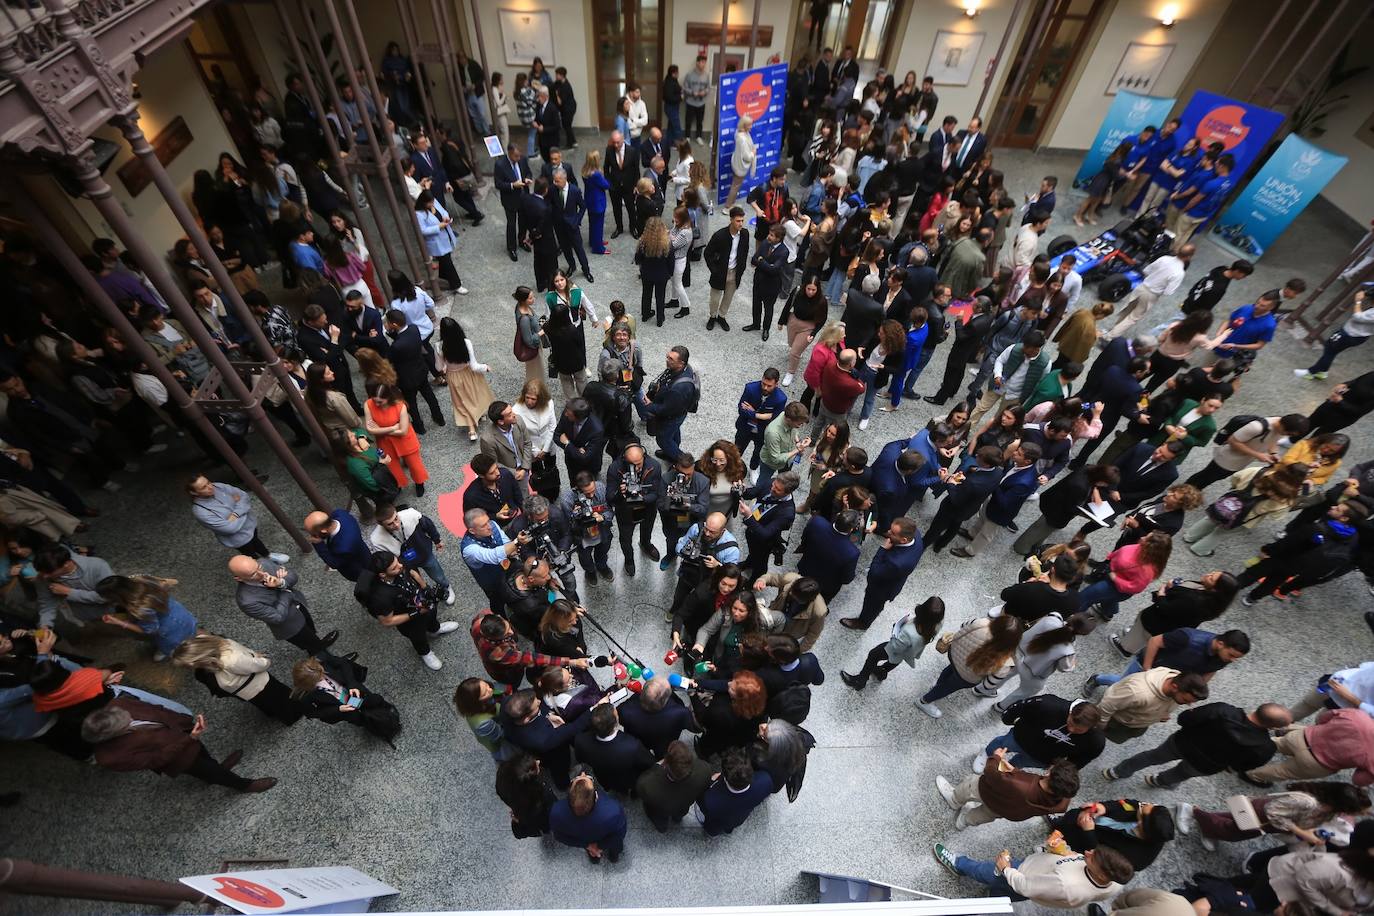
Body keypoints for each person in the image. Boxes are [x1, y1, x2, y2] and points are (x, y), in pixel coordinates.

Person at [79, 699, 276, 793]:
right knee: (205, 768)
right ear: (111, 734)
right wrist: (189, 738)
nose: (130, 717)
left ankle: (217, 769)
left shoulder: (119, 704)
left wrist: (185, 723)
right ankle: (244, 785)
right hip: (180, 757)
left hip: (183, 733)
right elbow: (156, 760)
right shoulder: (111, 757)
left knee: (207, 759)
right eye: (126, 723)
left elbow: (155, 708)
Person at [1106, 701, 1290, 789]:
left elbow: (1185, 719)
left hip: (1182, 743)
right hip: (1206, 765)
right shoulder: (1266, 747)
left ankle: (1118, 772)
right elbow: (1243, 767)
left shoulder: (1222, 710)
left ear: (1259, 707)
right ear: (1273, 727)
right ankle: (1159, 781)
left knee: (1152, 756)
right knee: (1181, 774)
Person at [932, 840, 1133, 908]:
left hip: (1022, 875)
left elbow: (1024, 886)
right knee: (1005, 896)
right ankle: (989, 897)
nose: (1086, 853)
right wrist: (1063, 851)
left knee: (984, 871)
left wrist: (1005, 868)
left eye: (1092, 858)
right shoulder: (1115, 883)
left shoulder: (1066, 885)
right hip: (1039, 880)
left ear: (1101, 875)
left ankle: (958, 864)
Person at [359, 549, 460, 671]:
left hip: (420, 601)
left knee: (432, 616)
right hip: (408, 621)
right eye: (394, 568)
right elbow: (387, 621)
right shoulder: (380, 597)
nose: (400, 565)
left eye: (398, 562)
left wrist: (425, 588)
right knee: (418, 637)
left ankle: (436, 629)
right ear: (383, 575)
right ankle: (425, 653)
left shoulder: (398, 564)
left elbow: (413, 573)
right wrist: (415, 613)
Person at [171, 633, 301, 726]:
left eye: (189, 664)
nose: (189, 668)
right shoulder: (207, 641)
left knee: (277, 701)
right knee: (276, 700)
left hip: (258, 687)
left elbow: (258, 665)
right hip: (252, 686)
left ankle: (293, 714)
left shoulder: (230, 661)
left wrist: (264, 661)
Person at [935, 750, 1079, 829]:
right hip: (1006, 810)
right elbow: (1021, 783)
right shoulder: (1063, 802)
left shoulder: (1020, 785)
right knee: (984, 815)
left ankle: (954, 800)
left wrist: (996, 758)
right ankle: (964, 822)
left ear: (1049, 774)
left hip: (988, 791)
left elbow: (991, 774)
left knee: (970, 786)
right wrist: (1015, 772)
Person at [917, 614, 1024, 719]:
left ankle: (937, 685)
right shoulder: (1004, 660)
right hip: (966, 676)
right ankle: (924, 701)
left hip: (954, 654)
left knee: (950, 670)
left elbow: (963, 626)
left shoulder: (981, 623)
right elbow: (988, 686)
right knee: (947, 687)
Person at [1184, 412, 1310, 492]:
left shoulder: (1280, 428)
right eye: (1289, 433)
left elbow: (1273, 441)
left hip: (1240, 461)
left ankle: (1193, 491)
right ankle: (1185, 491)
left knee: (1213, 478)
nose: (1287, 436)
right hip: (1226, 458)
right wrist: (1258, 455)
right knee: (1206, 476)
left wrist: (1273, 453)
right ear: (1284, 426)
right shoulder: (1257, 427)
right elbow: (1233, 441)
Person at [290, 655, 400, 744]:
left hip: (351, 691)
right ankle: (373, 724)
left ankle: (386, 707)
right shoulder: (304, 696)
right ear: (308, 685)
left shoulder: (322, 660)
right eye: (319, 679)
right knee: (359, 718)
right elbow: (312, 713)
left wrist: (352, 684)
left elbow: (344, 663)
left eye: (322, 673)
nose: (323, 677)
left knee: (372, 700)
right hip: (341, 707)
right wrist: (338, 709)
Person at [842, 517, 923, 631]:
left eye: (893, 533)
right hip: (894, 577)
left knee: (872, 605)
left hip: (881, 589)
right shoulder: (916, 536)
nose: (888, 532)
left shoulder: (897, 563)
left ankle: (863, 623)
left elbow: (874, 572)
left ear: (904, 540)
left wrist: (883, 549)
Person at [95, 575, 199, 663]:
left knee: (174, 643)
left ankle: (167, 651)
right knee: (188, 631)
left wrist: (119, 622)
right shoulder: (142, 580)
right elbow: (165, 583)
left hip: (169, 629)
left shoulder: (140, 608)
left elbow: (149, 630)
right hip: (179, 614)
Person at [1053, 799, 1177, 871]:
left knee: (1063, 842)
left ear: (1141, 824)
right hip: (1093, 821)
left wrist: (1088, 832)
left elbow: (1099, 859)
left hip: (1081, 843)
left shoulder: (1136, 859)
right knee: (1067, 822)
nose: (1140, 805)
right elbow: (1128, 804)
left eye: (1141, 808)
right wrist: (1104, 807)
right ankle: (1060, 824)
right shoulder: (1149, 817)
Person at [367, 502, 453, 604]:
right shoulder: (377, 540)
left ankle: (446, 586)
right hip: (403, 564)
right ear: (381, 524)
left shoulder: (410, 514)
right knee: (414, 581)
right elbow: (385, 558)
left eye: (396, 518)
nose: (396, 524)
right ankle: (424, 595)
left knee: (437, 574)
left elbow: (428, 525)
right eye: (390, 524)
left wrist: (437, 540)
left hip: (424, 552)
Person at [185, 476, 287, 562]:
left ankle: (267, 556)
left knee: (256, 540)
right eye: (203, 487)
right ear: (194, 493)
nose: (210, 487)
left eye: (208, 482)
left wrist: (235, 515)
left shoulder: (218, 486)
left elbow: (244, 496)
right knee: (249, 554)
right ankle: (261, 567)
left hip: (250, 525)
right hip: (238, 538)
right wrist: (241, 508)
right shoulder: (201, 512)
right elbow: (229, 528)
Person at [1095, 668, 1208, 744]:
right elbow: (1107, 705)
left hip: (1137, 723)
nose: (1189, 704)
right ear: (1174, 687)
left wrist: (1160, 714)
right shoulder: (1137, 692)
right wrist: (1101, 724)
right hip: (1116, 722)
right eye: (1185, 700)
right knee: (1097, 736)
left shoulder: (1178, 680)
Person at [606, 443, 664, 574]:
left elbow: (657, 493)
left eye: (639, 463)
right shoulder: (615, 468)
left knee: (647, 529)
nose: (637, 468)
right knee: (625, 539)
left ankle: (646, 544)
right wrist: (620, 493)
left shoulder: (654, 466)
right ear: (624, 459)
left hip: (647, 509)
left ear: (644, 456)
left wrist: (642, 499)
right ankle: (629, 559)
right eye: (632, 464)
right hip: (625, 512)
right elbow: (609, 497)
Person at [573, 702, 654, 794]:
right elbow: (649, 763)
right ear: (615, 724)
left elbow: (580, 758)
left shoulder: (580, 739)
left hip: (603, 777)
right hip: (627, 780)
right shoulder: (632, 746)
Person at [550, 766, 627, 863]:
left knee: (592, 853)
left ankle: (594, 859)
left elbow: (560, 836)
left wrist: (588, 846)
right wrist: (600, 847)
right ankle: (614, 857)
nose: (583, 774)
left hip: (585, 840)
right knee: (615, 848)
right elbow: (620, 834)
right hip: (608, 841)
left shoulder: (556, 812)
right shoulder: (614, 811)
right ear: (595, 797)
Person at [636, 345, 698, 462]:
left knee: (663, 439)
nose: (667, 360)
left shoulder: (679, 389)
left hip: (672, 416)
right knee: (674, 432)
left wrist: (649, 405)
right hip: (678, 412)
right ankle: (671, 452)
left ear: (681, 363)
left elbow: (665, 410)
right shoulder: (684, 368)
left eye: (671, 359)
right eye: (667, 357)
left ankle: (681, 460)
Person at [364, 382, 428, 498]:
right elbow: (370, 430)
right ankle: (398, 484)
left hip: (404, 439)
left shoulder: (400, 406)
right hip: (385, 442)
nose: (376, 404)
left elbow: (403, 431)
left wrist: (380, 429)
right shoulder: (368, 404)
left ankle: (419, 483)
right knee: (391, 465)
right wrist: (393, 427)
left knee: (414, 465)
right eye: (375, 401)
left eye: (380, 402)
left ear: (388, 398)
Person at [637, 738, 713, 832]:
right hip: (683, 807)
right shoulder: (705, 769)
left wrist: (657, 765)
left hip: (661, 811)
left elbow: (642, 792)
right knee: (679, 814)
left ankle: (662, 828)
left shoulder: (647, 784)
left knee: (660, 820)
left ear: (665, 762)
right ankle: (677, 819)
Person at [438, 316, 493, 442]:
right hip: (469, 373)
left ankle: (471, 430)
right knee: (475, 395)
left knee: (462, 402)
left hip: (453, 376)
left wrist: (447, 365)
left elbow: (439, 367)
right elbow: (474, 366)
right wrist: (485, 367)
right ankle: (479, 415)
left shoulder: (439, 346)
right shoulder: (465, 342)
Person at [695, 747, 773, 835]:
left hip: (717, 824)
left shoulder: (709, 801)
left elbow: (701, 802)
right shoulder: (765, 780)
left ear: (724, 773)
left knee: (712, 829)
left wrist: (712, 781)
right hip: (738, 819)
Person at [796, 509, 862, 604]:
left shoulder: (816, 522)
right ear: (852, 529)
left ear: (837, 516)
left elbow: (804, 541)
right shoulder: (852, 553)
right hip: (825, 587)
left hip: (805, 569)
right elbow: (846, 579)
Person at [705, 207, 750, 331]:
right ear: (731, 220)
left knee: (728, 297)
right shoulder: (720, 235)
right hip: (719, 272)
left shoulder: (745, 234)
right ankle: (712, 316)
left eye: (742, 220)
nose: (741, 223)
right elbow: (707, 253)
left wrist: (742, 268)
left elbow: (744, 252)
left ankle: (722, 316)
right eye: (738, 221)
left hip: (734, 272)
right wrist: (714, 270)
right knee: (715, 298)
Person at [496, 751, 556, 838]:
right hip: (548, 822)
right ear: (534, 785)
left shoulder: (507, 788)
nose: (538, 762)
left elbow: (519, 834)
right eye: (535, 768)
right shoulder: (544, 798)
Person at [493, 142, 534, 261]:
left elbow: (528, 172)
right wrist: (512, 185)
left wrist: (528, 178)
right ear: (509, 154)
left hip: (523, 196)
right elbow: (498, 184)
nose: (518, 158)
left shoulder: (522, 159)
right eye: (516, 156)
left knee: (523, 221)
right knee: (511, 224)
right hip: (510, 200)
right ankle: (511, 248)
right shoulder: (500, 165)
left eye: (519, 155)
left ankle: (522, 240)